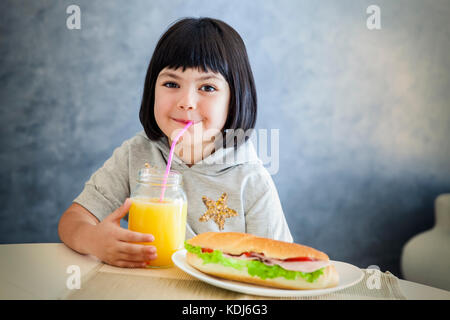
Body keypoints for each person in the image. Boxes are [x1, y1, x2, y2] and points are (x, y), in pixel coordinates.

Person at [58, 17, 292, 268]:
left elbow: (276, 266)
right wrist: (93, 239)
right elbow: (73, 220)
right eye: (171, 84)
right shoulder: (136, 154)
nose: (186, 102)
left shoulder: (250, 178)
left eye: (208, 88)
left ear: (233, 100)